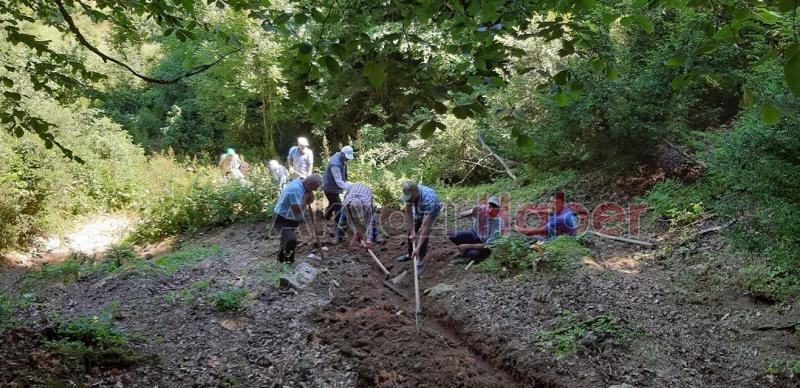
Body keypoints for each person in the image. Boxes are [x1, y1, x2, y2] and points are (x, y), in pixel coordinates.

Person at [395, 181, 442, 276]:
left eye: (410, 198)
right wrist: (412, 232)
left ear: (416, 193)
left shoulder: (429, 199)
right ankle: (410, 254)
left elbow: (425, 226)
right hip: (418, 209)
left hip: (432, 213)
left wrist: (418, 247)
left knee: (424, 235)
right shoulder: (410, 195)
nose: (408, 200)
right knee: (410, 232)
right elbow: (409, 214)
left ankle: (420, 260)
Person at [272, 174, 322, 263]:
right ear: (309, 183)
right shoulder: (295, 189)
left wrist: (309, 197)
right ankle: (288, 263)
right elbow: (297, 210)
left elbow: (310, 200)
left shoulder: (304, 185)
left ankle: (280, 261)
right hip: (282, 219)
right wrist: (305, 198)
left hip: (291, 219)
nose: (315, 190)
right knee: (291, 239)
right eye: (314, 188)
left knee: (285, 239)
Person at [448, 195, 504, 263]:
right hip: (474, 234)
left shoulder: (498, 224)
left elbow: (489, 245)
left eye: (493, 209)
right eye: (489, 207)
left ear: (498, 211)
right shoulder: (482, 209)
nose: (490, 211)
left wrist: (467, 246)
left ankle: (468, 256)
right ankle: (466, 252)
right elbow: (463, 214)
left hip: (485, 244)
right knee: (452, 234)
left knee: (473, 254)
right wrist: (473, 211)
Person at [331, 182, 384, 247]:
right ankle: (339, 238)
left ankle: (376, 235)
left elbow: (368, 222)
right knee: (343, 219)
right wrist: (355, 231)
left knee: (371, 219)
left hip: (366, 192)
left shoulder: (367, 204)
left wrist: (368, 241)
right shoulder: (346, 204)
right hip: (351, 191)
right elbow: (350, 221)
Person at [322, 145, 354, 221]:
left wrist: (347, 183)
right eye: (346, 157)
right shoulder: (335, 163)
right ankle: (339, 226)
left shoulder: (343, 158)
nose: (347, 159)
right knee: (338, 206)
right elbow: (338, 180)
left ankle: (326, 217)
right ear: (342, 153)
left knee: (333, 203)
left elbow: (343, 174)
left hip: (333, 186)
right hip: (330, 187)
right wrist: (349, 187)